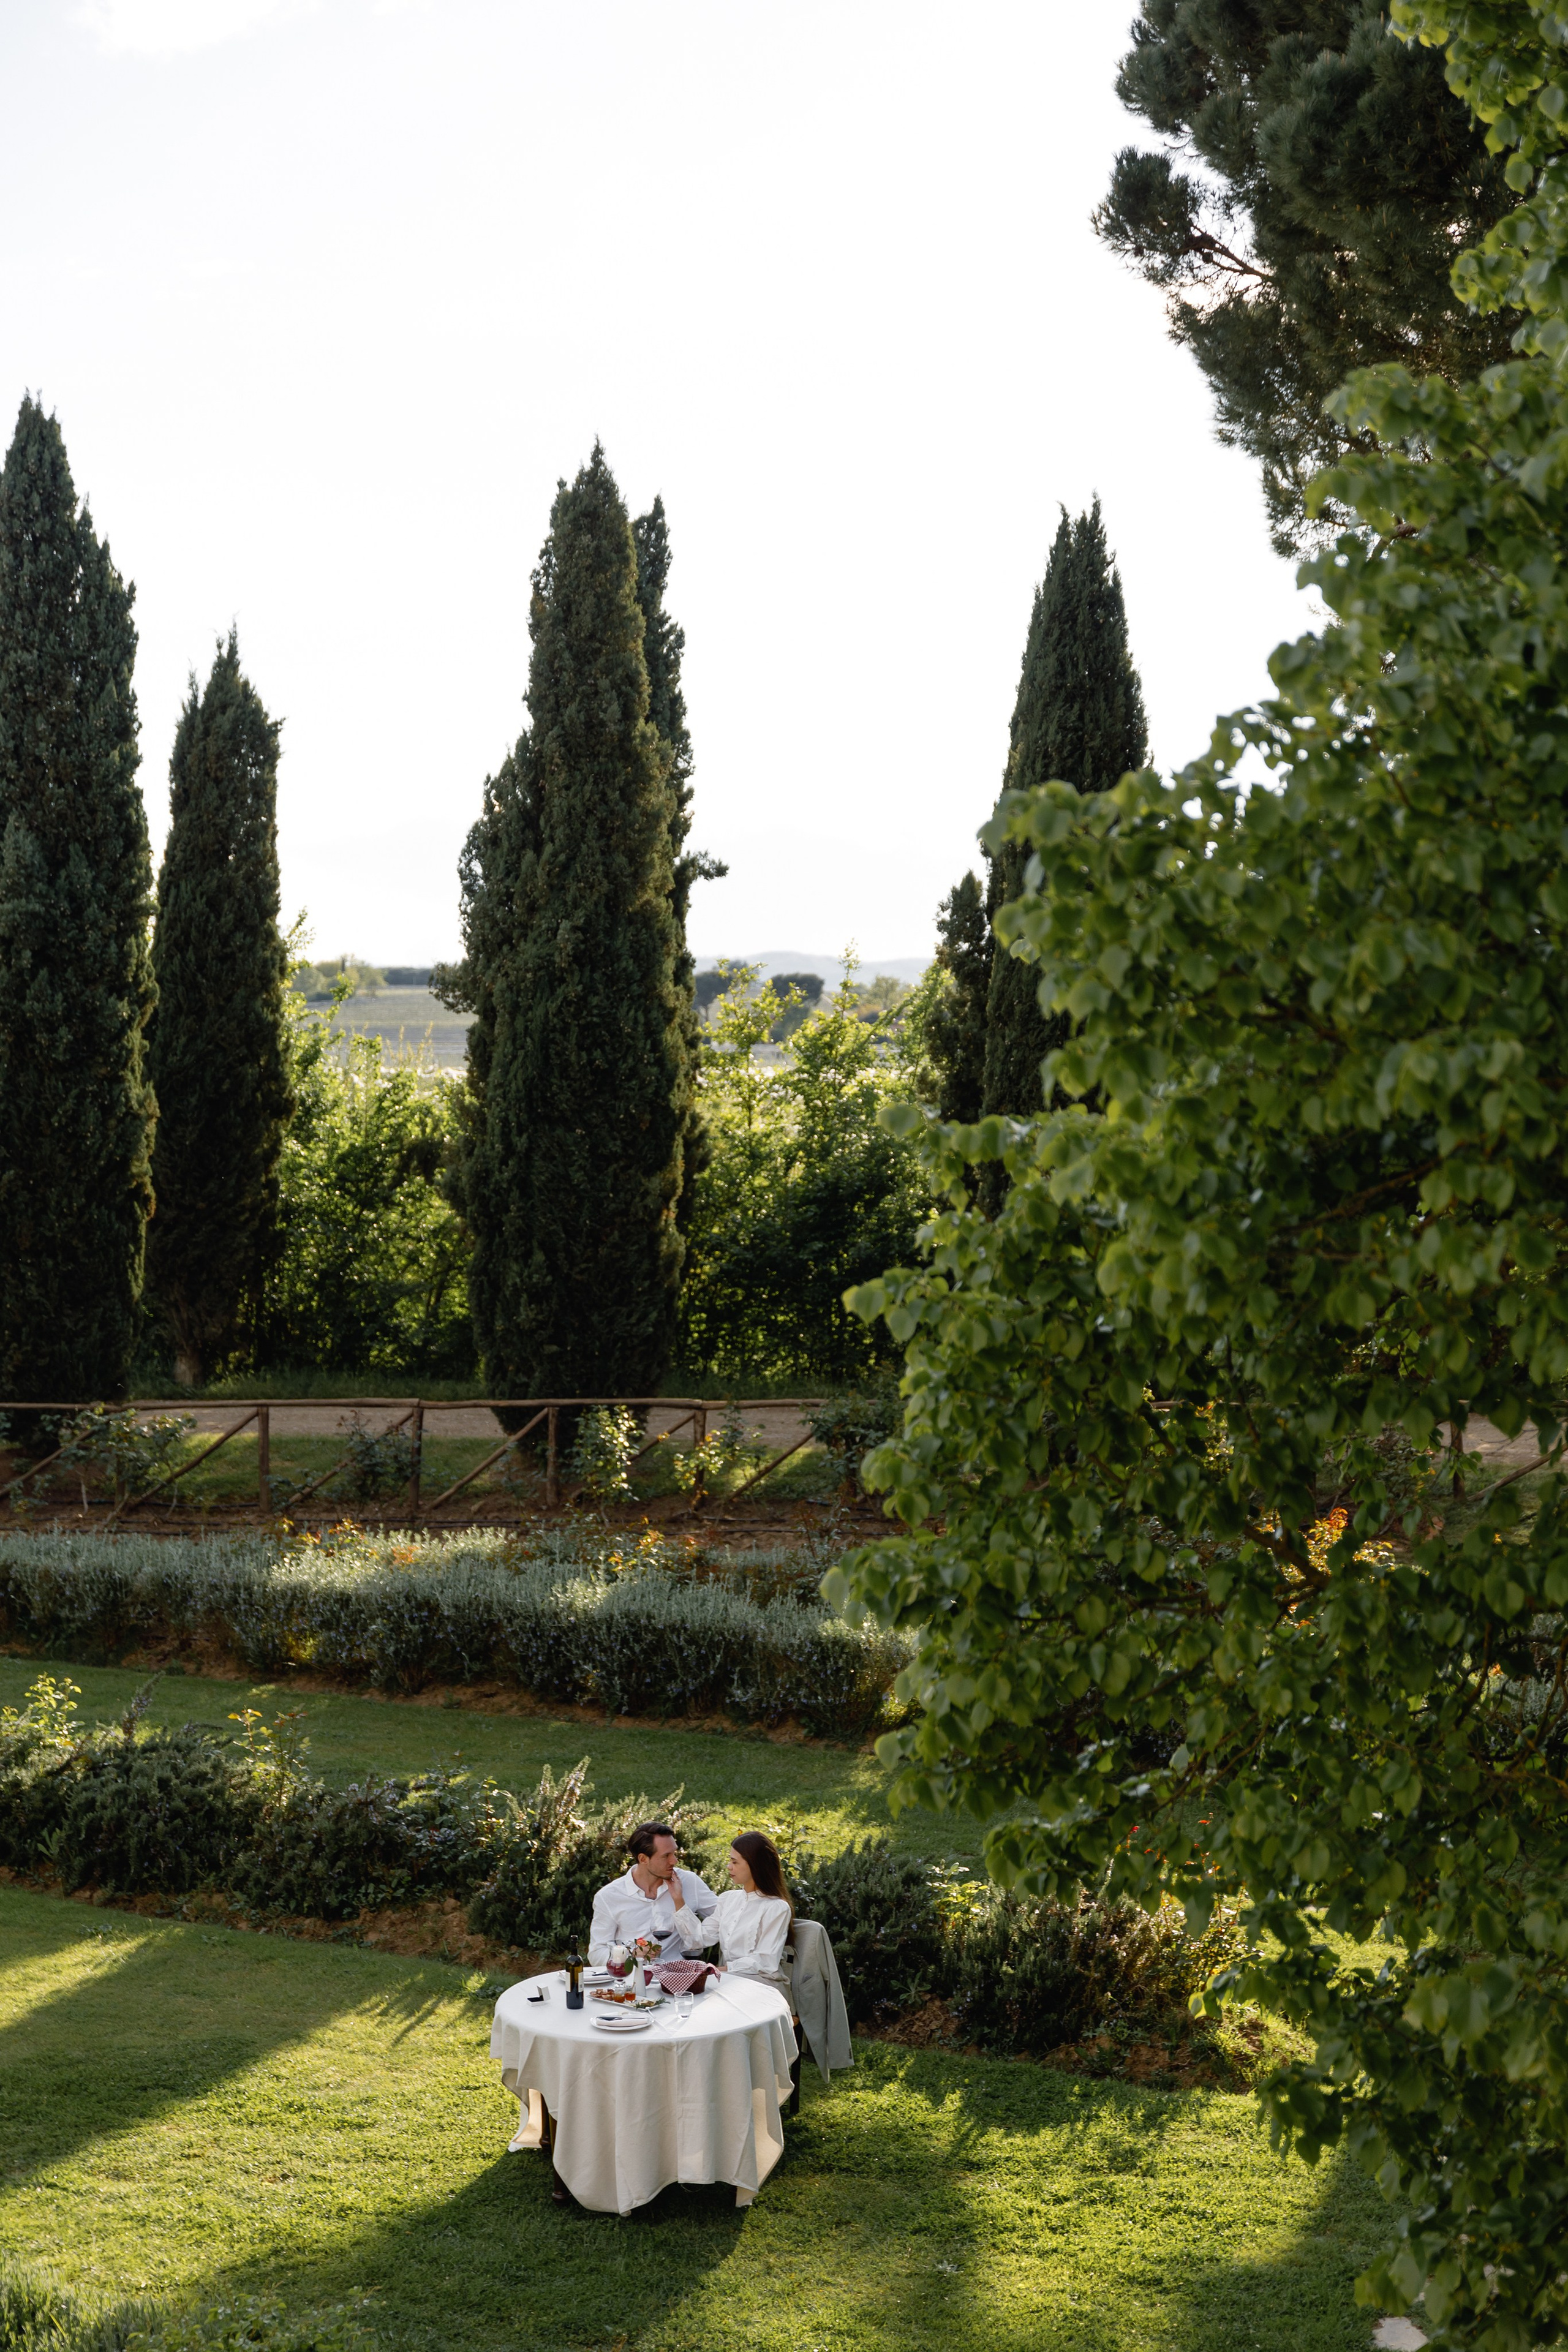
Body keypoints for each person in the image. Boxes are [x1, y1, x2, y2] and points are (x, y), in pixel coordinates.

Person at [588, 1821, 718, 1966]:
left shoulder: (689, 1882)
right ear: (643, 1859)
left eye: (674, 1853)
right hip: (635, 1981)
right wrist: (630, 1955)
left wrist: (699, 1937)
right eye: (666, 1856)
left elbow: (725, 1918)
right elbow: (596, 1953)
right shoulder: (609, 1897)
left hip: (680, 1978)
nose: (674, 1861)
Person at [687, 1830, 793, 2002]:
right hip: (727, 1981)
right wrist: (678, 1900)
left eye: (735, 1862)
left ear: (755, 1865)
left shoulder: (776, 1908)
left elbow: (765, 1962)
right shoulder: (727, 1899)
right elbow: (699, 1939)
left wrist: (720, 1969)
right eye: (730, 1860)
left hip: (762, 1986)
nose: (729, 1866)